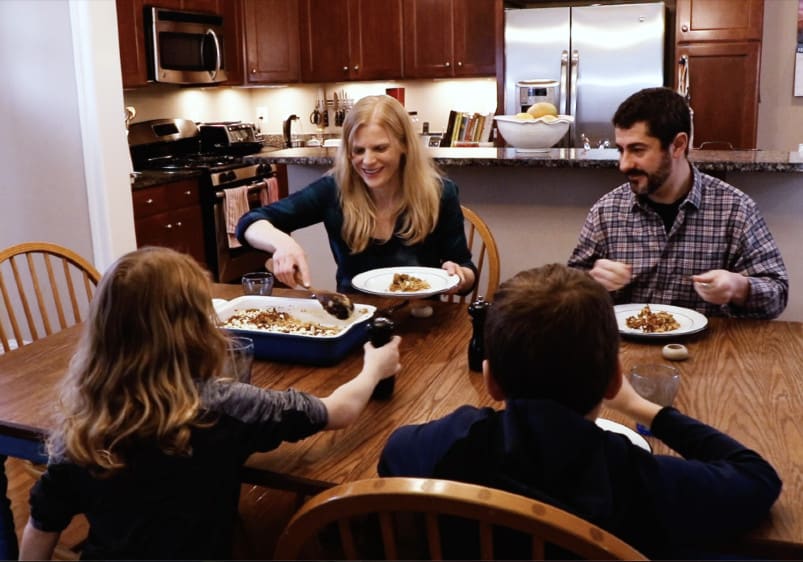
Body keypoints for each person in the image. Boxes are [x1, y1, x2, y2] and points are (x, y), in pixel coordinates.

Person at [18, 247, 401, 560]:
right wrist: (373, 369)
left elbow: (40, 529)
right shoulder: (227, 406)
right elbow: (339, 411)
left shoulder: (82, 427)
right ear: (199, 330)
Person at [378, 264, 781, 559]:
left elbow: (391, 454)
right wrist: (647, 409)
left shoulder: (451, 442)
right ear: (612, 380)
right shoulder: (636, 475)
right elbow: (758, 479)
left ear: (491, 380)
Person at [568, 87, 788, 319]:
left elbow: (778, 295)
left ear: (678, 145)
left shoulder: (735, 209)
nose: (624, 164)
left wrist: (740, 287)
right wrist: (592, 280)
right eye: (621, 150)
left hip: (708, 349)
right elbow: (568, 292)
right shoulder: (607, 211)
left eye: (637, 150)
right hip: (626, 348)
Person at [236, 94, 477, 295]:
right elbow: (248, 223)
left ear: (404, 145)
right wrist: (283, 244)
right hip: (355, 319)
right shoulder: (334, 189)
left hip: (422, 321)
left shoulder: (440, 192)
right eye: (358, 150)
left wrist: (458, 277)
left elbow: (467, 271)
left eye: (380, 148)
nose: (368, 161)